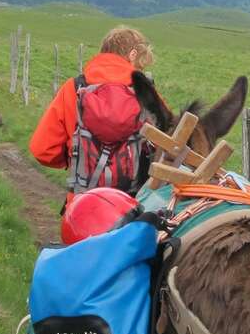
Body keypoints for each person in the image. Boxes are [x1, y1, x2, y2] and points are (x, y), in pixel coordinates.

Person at [29, 25, 156, 210]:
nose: (141, 69)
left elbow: (42, 149)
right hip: (132, 208)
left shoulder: (73, 88)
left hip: (82, 208)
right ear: (133, 54)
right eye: (141, 62)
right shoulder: (148, 94)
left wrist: (77, 157)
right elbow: (165, 149)